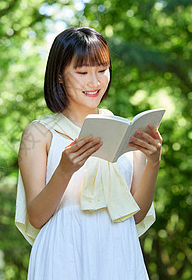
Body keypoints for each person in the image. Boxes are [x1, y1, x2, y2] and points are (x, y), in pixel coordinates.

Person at [15, 27, 162, 279]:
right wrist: (64, 170)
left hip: (119, 251)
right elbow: (37, 217)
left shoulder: (125, 130)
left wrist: (153, 162)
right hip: (64, 253)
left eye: (102, 70)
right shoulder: (39, 133)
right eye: (82, 72)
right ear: (59, 75)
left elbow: (137, 215)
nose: (94, 82)